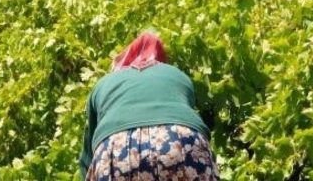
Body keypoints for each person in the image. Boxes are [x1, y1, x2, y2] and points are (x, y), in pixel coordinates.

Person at [78, 32, 219, 181]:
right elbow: (191, 124)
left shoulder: (104, 83)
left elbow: (88, 157)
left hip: (118, 149)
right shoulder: (178, 75)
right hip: (181, 140)